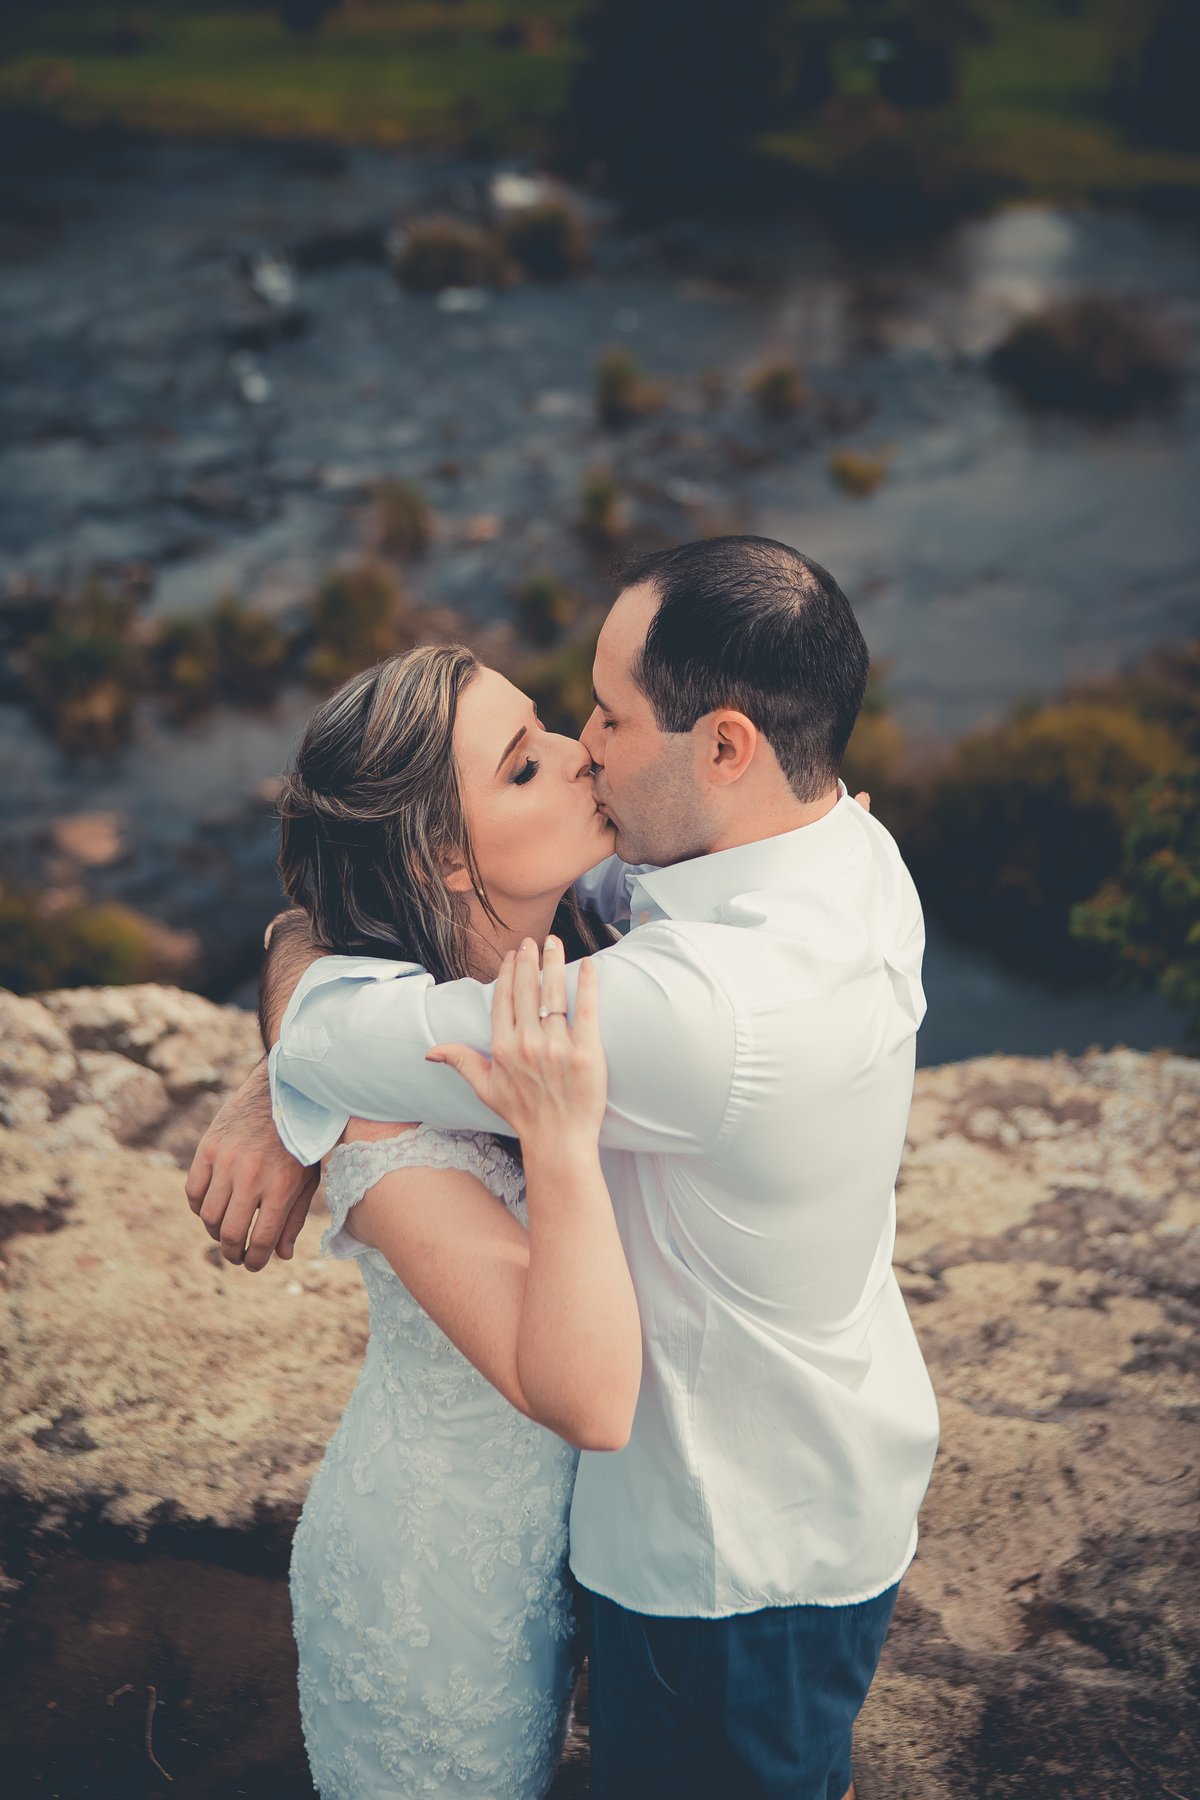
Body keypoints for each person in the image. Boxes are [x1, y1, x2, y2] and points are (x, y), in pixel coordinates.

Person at [189, 536, 941, 1800]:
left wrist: (285, 1060)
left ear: (726, 748)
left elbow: (340, 1033)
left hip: (722, 1548)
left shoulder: (677, 1009)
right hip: (515, 1569)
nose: (587, 746)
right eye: (542, 739)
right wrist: (297, 1041)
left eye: (600, 717)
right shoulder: (832, 852)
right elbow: (366, 1020)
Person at [259, 646, 642, 1799]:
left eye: (550, 728)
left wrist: (268, 1066)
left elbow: (299, 938)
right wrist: (563, 1140)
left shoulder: (594, 929)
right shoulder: (383, 1113)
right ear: (443, 858)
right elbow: (580, 1394)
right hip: (438, 1590)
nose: (585, 756)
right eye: (527, 767)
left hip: (598, 1556)